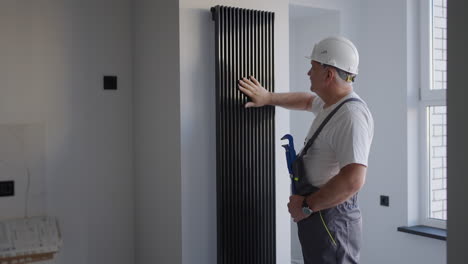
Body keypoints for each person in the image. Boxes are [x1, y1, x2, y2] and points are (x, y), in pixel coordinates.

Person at [238, 36, 374, 264]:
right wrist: (268, 98)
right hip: (321, 212)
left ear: (329, 74)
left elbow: (353, 180)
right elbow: (307, 101)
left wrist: (307, 206)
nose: (308, 74)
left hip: (330, 216)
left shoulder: (351, 116)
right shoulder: (332, 104)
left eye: (312, 68)